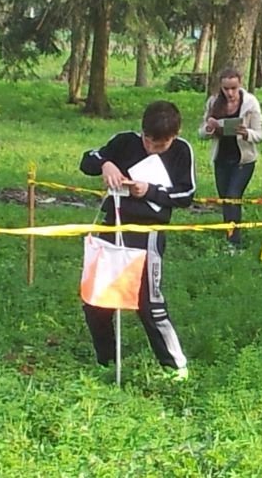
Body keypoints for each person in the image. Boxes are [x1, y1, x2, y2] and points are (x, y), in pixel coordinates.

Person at [79, 100, 196, 380]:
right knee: (97, 300)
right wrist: (106, 164)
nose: (151, 148)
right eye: (147, 141)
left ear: (175, 136)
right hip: (113, 227)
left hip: (148, 234)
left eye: (159, 145)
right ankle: (107, 361)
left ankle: (175, 367)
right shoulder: (124, 142)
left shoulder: (182, 151)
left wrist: (150, 191)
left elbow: (186, 194)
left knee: (149, 303)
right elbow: (87, 160)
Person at [198, 67, 262, 251]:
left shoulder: (250, 103)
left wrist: (246, 133)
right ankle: (229, 234)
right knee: (225, 200)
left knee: (233, 197)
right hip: (221, 159)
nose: (229, 93)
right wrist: (209, 128)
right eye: (226, 88)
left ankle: (235, 242)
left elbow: (260, 134)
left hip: (243, 160)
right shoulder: (213, 102)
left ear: (240, 84)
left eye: (233, 88)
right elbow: (201, 133)